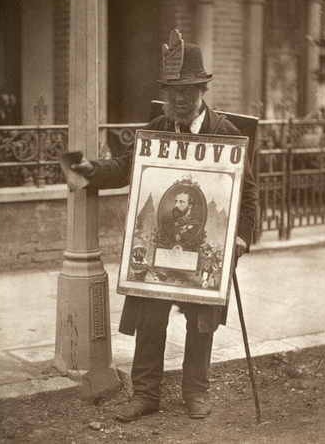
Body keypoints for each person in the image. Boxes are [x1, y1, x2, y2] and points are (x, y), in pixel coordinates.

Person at [71, 29, 257, 421]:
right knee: (150, 316)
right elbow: (125, 167)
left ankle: (196, 393)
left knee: (200, 318)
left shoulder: (225, 134)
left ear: (202, 90)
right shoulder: (157, 126)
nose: (179, 99)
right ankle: (146, 395)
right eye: (172, 91)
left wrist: (241, 237)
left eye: (187, 90)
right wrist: (92, 170)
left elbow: (249, 194)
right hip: (160, 244)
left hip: (203, 245)